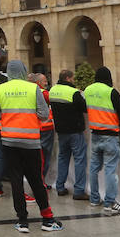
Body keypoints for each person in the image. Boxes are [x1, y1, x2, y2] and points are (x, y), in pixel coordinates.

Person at [0, 60, 61, 233]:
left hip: (9, 142)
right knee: (36, 180)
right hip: (30, 142)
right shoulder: (33, 88)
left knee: (16, 181)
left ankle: (22, 221)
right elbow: (44, 115)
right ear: (23, 71)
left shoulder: (0, 89)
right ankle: (47, 218)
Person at [84, 66, 120, 215]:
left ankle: (94, 199)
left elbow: (86, 108)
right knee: (110, 170)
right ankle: (109, 203)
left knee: (94, 168)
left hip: (95, 134)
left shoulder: (88, 90)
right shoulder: (111, 92)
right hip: (110, 135)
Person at [50, 69, 87, 200]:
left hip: (61, 131)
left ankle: (60, 186)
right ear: (67, 78)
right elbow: (85, 108)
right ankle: (79, 190)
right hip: (75, 131)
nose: (73, 80)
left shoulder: (53, 90)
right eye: (72, 78)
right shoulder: (73, 92)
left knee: (63, 158)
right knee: (80, 159)